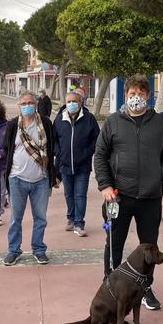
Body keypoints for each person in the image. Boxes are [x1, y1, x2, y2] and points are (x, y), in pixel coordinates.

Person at [94, 75, 163, 310]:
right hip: (119, 196)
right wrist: (105, 185)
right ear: (125, 96)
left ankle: (145, 288)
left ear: (148, 96)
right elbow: (100, 155)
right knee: (114, 244)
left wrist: (161, 174)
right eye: (132, 94)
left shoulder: (160, 123)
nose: (136, 98)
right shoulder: (113, 122)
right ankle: (109, 284)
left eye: (141, 94)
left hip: (150, 198)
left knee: (149, 247)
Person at [2, 91, 58, 266]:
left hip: (40, 179)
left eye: (30, 103)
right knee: (15, 219)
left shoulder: (46, 124)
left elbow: (52, 147)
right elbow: (6, 147)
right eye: (24, 103)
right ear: (19, 106)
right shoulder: (13, 125)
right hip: (17, 179)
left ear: (36, 105)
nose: (27, 106)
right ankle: (13, 250)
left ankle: (39, 249)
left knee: (40, 218)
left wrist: (53, 174)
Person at [53, 90, 100, 237]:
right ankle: (71, 218)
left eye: (75, 101)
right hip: (65, 165)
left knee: (80, 195)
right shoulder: (60, 119)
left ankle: (79, 223)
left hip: (83, 166)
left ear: (80, 103)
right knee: (69, 194)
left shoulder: (89, 119)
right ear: (65, 103)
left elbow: (96, 139)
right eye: (69, 102)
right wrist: (59, 153)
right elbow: (54, 140)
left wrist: (87, 153)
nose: (72, 104)